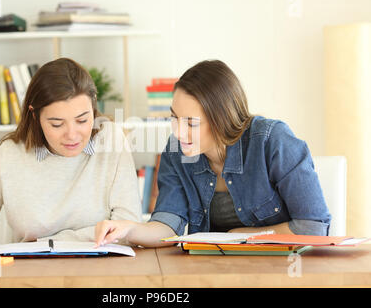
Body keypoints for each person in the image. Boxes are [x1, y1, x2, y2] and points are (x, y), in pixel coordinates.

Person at [95, 59, 331, 248]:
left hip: (280, 271)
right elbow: (168, 225)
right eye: (174, 118)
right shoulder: (176, 152)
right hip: (213, 271)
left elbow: (314, 226)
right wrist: (130, 229)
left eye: (191, 123)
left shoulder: (272, 141)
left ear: (221, 120)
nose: (178, 132)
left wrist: (243, 236)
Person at [0, 58, 142, 253]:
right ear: (35, 116)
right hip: (31, 274)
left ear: (93, 110)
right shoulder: (8, 155)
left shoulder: (111, 140)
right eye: (57, 124)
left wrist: (44, 244)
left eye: (82, 120)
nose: (72, 134)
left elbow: (127, 228)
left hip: (102, 271)